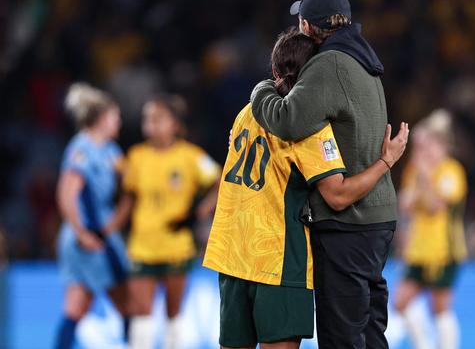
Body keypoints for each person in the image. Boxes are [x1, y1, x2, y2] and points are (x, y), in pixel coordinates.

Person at [203, 27, 408, 349]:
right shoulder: (307, 126)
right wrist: (386, 161)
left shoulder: (247, 112)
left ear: (274, 70)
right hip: (277, 259)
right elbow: (337, 196)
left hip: (231, 252)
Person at [250, 0, 399, 347]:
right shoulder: (365, 59)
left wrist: (260, 92)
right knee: (369, 330)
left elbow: (288, 119)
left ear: (306, 24)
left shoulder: (328, 63)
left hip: (349, 220)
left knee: (341, 335)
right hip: (376, 216)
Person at [115, 95, 221, 349]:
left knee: (174, 315)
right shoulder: (136, 156)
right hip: (142, 246)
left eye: (157, 119)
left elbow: (220, 181)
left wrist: (201, 211)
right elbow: (127, 201)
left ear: (174, 124)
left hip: (176, 245)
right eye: (147, 119)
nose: (150, 125)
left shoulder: (191, 156)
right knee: (141, 314)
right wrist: (110, 229)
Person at [55, 83, 130, 349]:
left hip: (101, 234)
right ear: (102, 118)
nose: (119, 121)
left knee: (78, 305)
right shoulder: (82, 149)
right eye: (115, 116)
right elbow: (67, 193)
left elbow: (129, 193)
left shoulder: (111, 152)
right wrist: (82, 233)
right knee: (126, 302)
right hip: (88, 238)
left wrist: (116, 222)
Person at [394, 110, 467, 349]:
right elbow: (405, 205)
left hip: (444, 250)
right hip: (418, 250)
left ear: (442, 145)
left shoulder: (451, 171)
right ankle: (423, 345)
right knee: (400, 302)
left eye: (429, 145)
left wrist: (425, 179)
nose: (424, 151)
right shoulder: (415, 171)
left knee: (440, 307)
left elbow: (436, 206)